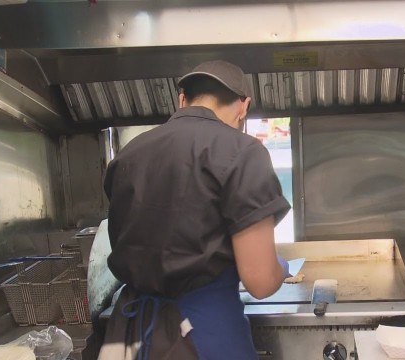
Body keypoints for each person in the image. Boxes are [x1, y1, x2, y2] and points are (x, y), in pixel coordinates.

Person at [98, 60, 291, 360]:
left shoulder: (128, 155)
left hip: (130, 334)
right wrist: (281, 268)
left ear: (182, 99)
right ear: (244, 105)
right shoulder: (244, 153)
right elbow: (261, 281)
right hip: (203, 332)